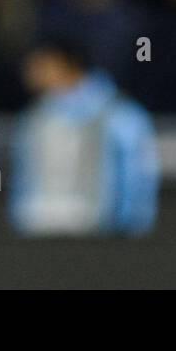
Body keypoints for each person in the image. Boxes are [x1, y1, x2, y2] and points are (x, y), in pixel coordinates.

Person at [10, 38, 158, 237]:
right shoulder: (34, 116)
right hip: (42, 234)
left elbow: (137, 174)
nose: (29, 73)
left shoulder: (118, 114)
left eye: (39, 64)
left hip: (102, 236)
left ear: (65, 65)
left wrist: (125, 226)